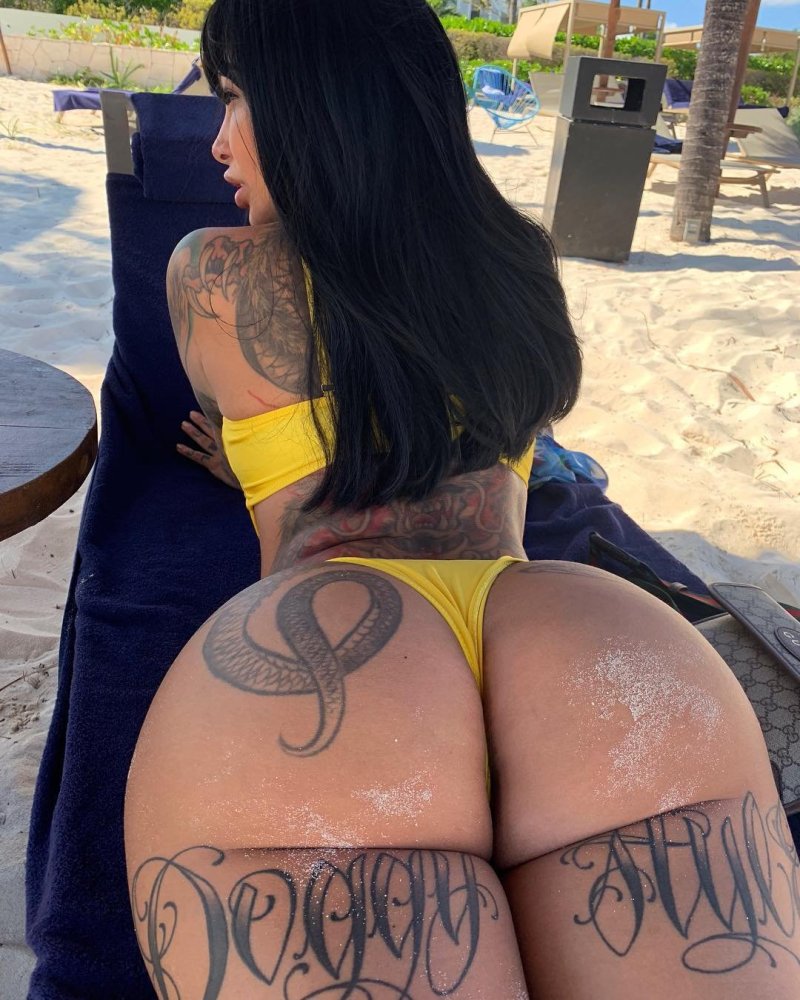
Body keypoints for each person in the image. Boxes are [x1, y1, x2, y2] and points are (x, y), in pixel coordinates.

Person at [124, 1, 800, 997]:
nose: (219, 140)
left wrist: (251, 465)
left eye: (233, 99)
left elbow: (288, 417)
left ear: (311, 104)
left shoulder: (211, 272)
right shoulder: (517, 263)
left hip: (334, 657)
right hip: (586, 637)